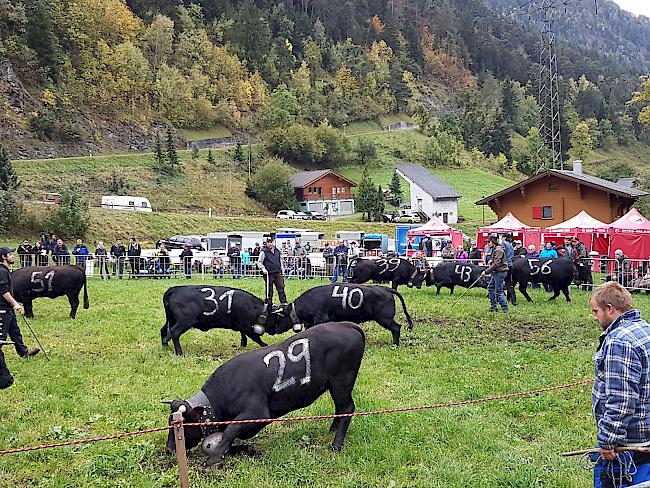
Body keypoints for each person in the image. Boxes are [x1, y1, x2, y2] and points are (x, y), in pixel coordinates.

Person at [590, 282, 650, 486]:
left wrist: (608, 439)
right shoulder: (644, 329)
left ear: (610, 308)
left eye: (596, 311)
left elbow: (622, 400)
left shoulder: (620, 341)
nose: (595, 317)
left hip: (630, 443)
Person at [0, 247, 40, 364]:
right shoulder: (1, 271)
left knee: (14, 331)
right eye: (10, 254)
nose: (13, 256)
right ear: (3, 257)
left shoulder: (5, 270)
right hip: (2, 308)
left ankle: (23, 352)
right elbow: (3, 291)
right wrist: (16, 304)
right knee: (1, 336)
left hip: (7, 308)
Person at [480, 236, 509, 313]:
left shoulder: (499, 250)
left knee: (499, 291)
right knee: (490, 287)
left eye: (488, 242)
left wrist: (486, 271)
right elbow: (495, 261)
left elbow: (496, 264)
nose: (487, 244)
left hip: (500, 272)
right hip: (497, 272)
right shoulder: (496, 249)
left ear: (493, 242)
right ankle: (493, 306)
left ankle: (505, 309)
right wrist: (491, 261)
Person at [257, 238, 287, 306]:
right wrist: (263, 268)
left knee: (281, 287)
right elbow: (259, 262)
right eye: (268, 242)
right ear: (266, 243)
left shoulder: (277, 251)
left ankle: (284, 303)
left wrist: (283, 270)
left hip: (277, 272)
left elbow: (280, 262)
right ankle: (269, 303)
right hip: (269, 273)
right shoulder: (263, 251)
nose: (270, 244)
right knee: (269, 289)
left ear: (273, 243)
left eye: (271, 242)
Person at [501, 233, 516, 306]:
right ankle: (513, 299)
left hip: (504, 265)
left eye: (502, 237)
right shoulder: (511, 245)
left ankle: (500, 298)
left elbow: (502, 254)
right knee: (509, 283)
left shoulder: (504, 244)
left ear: (504, 237)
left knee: (499, 281)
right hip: (510, 265)